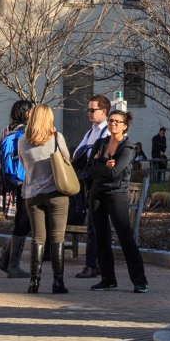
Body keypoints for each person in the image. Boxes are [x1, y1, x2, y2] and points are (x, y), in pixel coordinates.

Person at [87, 109, 149, 292]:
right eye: (111, 121)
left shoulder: (128, 148)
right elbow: (88, 169)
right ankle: (108, 279)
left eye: (117, 121)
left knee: (125, 237)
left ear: (125, 126)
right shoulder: (100, 143)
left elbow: (115, 174)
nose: (112, 124)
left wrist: (99, 164)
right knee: (101, 236)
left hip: (116, 195)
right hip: (97, 194)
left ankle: (140, 280)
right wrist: (102, 165)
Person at [18, 103, 71, 294]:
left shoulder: (23, 141)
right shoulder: (57, 138)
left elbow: (24, 164)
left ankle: (34, 282)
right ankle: (58, 281)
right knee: (57, 237)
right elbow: (66, 160)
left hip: (33, 194)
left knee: (38, 238)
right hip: (56, 193)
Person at [70, 95, 111, 278]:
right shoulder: (91, 132)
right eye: (88, 110)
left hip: (100, 183)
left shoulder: (108, 132)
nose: (89, 113)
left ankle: (93, 264)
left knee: (95, 225)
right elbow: (78, 153)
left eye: (92, 110)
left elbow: (106, 159)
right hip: (89, 182)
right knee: (94, 225)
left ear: (104, 111)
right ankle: (96, 264)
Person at [0, 99, 32, 277]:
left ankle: (6, 259)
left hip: (12, 179)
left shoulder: (7, 129)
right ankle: (13, 265)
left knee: (22, 219)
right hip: (26, 178)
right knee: (24, 220)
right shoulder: (26, 131)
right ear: (25, 112)